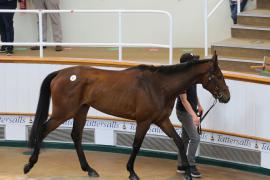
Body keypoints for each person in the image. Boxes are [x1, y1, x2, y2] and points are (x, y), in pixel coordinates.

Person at [176, 53, 204, 178]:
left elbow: (193, 92)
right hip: (184, 112)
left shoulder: (192, 75)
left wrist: (199, 104)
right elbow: (184, 100)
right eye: (193, 61)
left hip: (190, 110)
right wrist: (193, 116)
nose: (195, 63)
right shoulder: (181, 79)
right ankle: (191, 165)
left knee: (185, 139)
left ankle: (181, 165)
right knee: (195, 138)